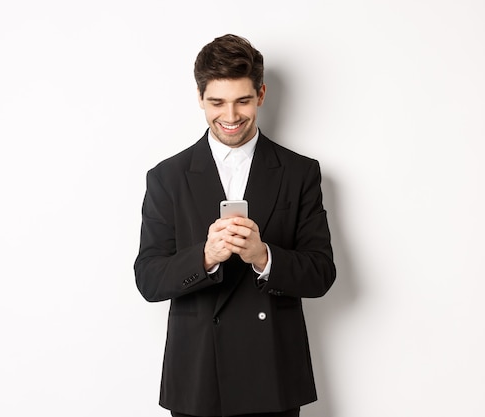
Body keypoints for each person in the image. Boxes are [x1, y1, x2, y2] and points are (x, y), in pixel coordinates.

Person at [134, 34, 336, 417]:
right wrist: (205, 257)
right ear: (199, 98)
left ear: (261, 94)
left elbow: (322, 274)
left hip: (273, 376)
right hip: (198, 378)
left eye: (242, 100)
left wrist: (264, 257)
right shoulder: (167, 177)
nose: (230, 116)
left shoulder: (299, 172)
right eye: (217, 102)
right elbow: (148, 278)